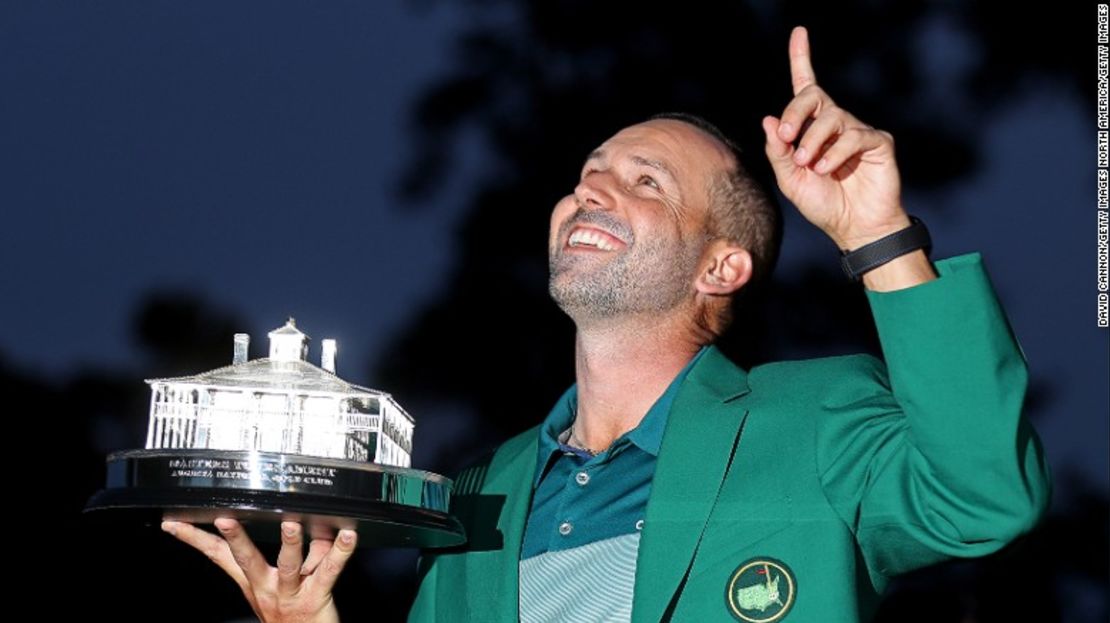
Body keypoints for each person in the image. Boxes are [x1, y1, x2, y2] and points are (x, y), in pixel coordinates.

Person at [162, 26, 1051, 623]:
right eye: (589, 173)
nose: (592, 188)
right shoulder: (478, 499)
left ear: (720, 266)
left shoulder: (813, 420)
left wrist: (875, 234)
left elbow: (984, 496)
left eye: (646, 181)